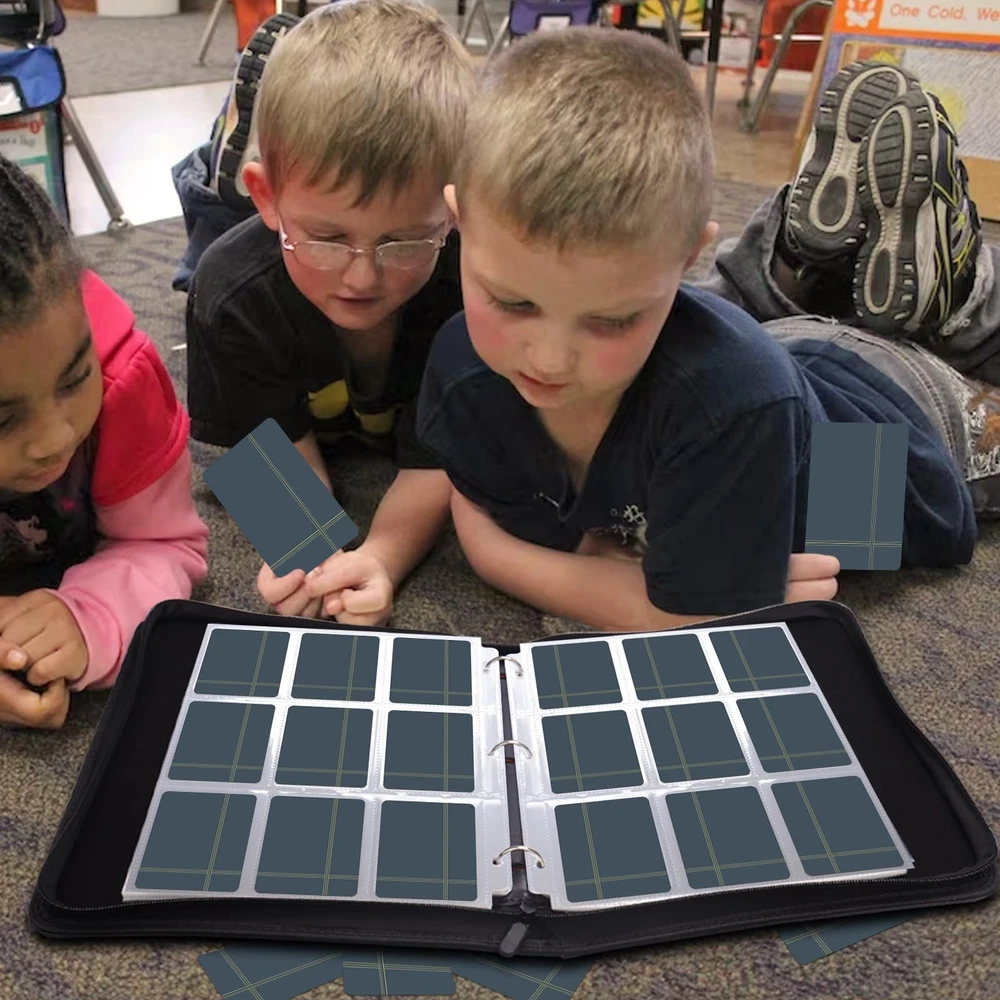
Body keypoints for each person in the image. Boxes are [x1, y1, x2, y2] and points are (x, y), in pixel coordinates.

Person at [416, 32, 1000, 634]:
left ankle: (960, 285)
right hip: (767, 355)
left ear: (691, 258)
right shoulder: (462, 369)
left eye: (611, 319)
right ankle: (800, 264)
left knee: (950, 391)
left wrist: (495, 556)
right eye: (512, 302)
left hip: (882, 429)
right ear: (458, 222)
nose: (549, 359)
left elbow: (682, 617)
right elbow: (546, 533)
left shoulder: (735, 401)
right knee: (745, 341)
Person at [186, 0, 475, 627]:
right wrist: (309, 557)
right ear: (266, 197)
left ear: (455, 211)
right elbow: (265, 455)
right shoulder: (231, 294)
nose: (362, 277)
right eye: (325, 237)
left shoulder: (474, 286)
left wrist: (383, 557)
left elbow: (438, 465)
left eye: (405, 241)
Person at [0, 158, 209, 729]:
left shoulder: (125, 384)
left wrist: (87, 616)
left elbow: (165, 544)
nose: (55, 439)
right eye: (3, 420)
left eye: (74, 380)